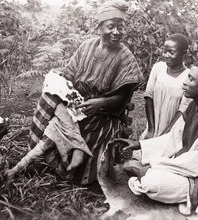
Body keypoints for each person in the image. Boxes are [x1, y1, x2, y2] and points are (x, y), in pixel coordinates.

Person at [26, 0, 143, 186]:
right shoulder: (87, 47)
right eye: (111, 27)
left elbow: (122, 100)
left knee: (83, 158)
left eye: (120, 27)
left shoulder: (125, 57)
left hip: (102, 115)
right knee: (48, 99)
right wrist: (61, 83)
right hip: (76, 105)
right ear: (100, 27)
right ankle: (45, 152)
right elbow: (68, 75)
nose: (116, 32)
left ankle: (74, 161)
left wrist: (101, 103)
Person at [116, 54, 198, 213]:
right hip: (194, 167)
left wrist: (152, 166)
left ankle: (189, 190)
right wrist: (140, 145)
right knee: (140, 157)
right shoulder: (195, 105)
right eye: (187, 76)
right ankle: (147, 173)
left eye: (191, 79)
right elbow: (173, 138)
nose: (185, 82)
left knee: (151, 183)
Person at [141, 33, 191, 140]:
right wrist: (151, 129)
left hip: (173, 131)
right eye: (165, 51)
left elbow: (183, 110)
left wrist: (164, 136)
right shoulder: (158, 68)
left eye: (171, 52)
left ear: (184, 54)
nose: (166, 55)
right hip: (153, 127)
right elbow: (149, 96)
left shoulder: (189, 76)